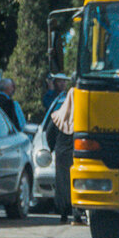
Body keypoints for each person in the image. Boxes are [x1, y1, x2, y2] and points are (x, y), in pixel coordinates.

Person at [45, 84, 81, 224]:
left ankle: (63, 215)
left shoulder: (57, 116)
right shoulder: (82, 118)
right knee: (76, 184)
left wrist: (53, 148)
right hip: (76, 154)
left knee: (62, 184)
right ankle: (77, 215)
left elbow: (49, 134)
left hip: (61, 154)